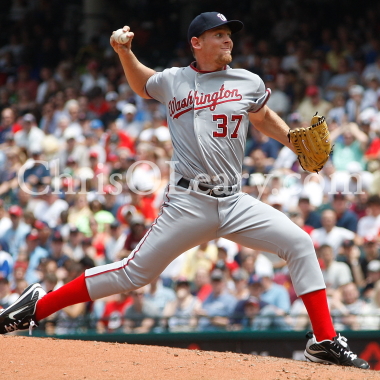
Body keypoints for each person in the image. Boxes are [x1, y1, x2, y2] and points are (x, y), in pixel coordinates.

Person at [0, 12, 369, 369]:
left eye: (229, 34)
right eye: (219, 34)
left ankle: (323, 341)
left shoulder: (247, 81)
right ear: (197, 42)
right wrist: (125, 52)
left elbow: (259, 116)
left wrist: (291, 139)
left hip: (234, 200)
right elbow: (142, 83)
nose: (228, 40)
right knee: (134, 274)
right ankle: (36, 307)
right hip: (189, 202)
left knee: (299, 243)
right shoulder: (174, 80)